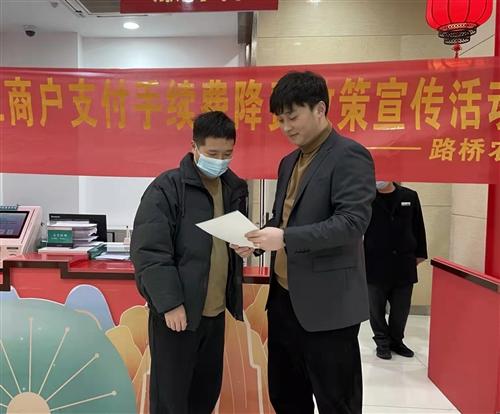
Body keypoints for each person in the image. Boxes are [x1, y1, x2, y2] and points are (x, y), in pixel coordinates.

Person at [235, 71, 376, 414]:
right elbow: (282, 220)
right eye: (280, 120)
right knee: (286, 396)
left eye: (293, 117)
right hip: (284, 300)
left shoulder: (349, 155)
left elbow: (351, 223)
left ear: (320, 109)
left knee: (336, 401)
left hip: (329, 306)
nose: (286, 127)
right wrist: (257, 239)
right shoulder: (289, 162)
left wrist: (284, 237)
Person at [130, 111, 248, 414]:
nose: (220, 161)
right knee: (170, 400)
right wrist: (169, 303)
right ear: (194, 147)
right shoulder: (167, 188)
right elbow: (149, 251)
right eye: (212, 153)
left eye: (227, 154)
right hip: (177, 316)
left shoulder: (233, 188)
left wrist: (249, 245)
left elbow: (235, 235)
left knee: (205, 395)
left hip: (215, 313)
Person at [363, 181, 427, 360]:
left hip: (403, 263)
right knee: (375, 308)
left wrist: (421, 253)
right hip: (374, 263)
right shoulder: (365, 197)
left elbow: (418, 226)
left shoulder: (409, 196)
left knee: (401, 309)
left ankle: (397, 341)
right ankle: (382, 342)